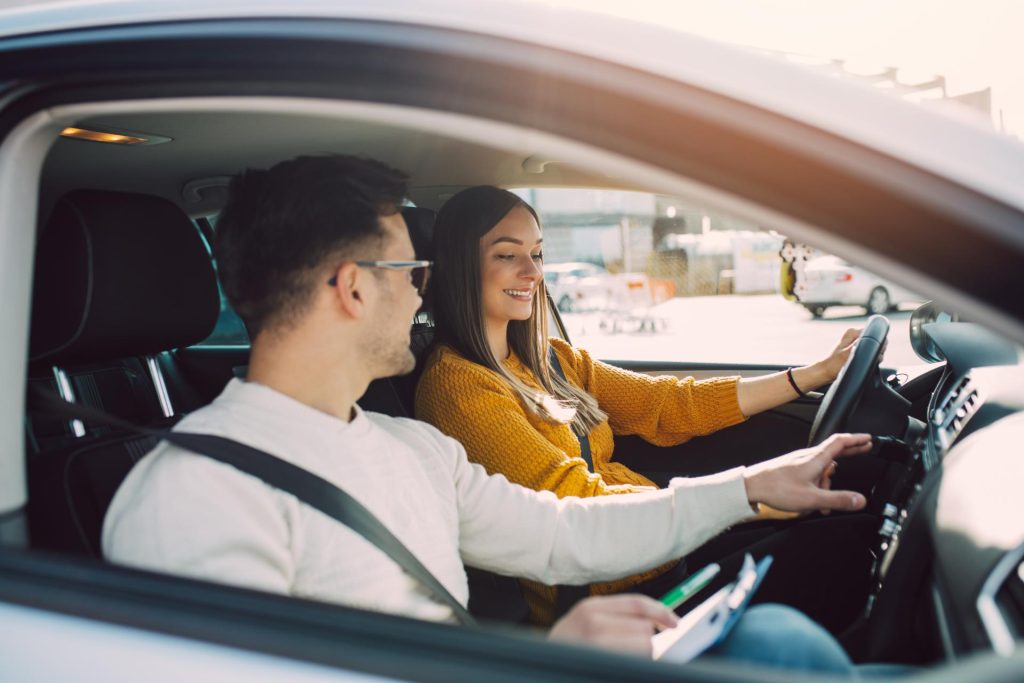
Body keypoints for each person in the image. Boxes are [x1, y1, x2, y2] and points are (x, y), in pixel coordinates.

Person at [101, 155, 870, 672]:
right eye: (411, 270)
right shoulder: (190, 498)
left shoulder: (410, 449)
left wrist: (751, 486)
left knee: (778, 642)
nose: (422, 291)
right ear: (352, 286)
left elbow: (565, 531)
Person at [415, 185, 860, 624]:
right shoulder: (459, 387)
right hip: (603, 601)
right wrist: (746, 499)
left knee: (833, 545)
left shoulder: (553, 358)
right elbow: (577, 512)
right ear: (461, 266)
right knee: (823, 559)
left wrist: (814, 374)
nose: (533, 272)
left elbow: (669, 405)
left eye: (538, 253)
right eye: (507, 255)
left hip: (654, 558)